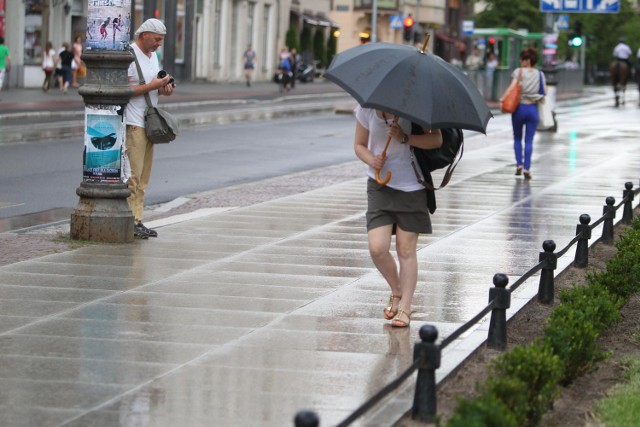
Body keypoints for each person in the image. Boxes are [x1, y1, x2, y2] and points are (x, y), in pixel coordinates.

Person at [353, 106, 442, 327]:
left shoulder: (416, 109)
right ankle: (397, 290)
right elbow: (359, 145)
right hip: (379, 186)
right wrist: (371, 160)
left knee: (405, 249)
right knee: (377, 248)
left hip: (412, 187)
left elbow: (436, 140)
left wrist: (405, 137)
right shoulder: (366, 109)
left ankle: (405, 308)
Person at [125, 18, 175, 239]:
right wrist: (152, 86)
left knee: (144, 178)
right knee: (132, 176)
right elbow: (123, 90)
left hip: (149, 123)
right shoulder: (129, 54)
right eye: (156, 40)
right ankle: (128, 221)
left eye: (161, 41)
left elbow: (154, 88)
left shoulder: (153, 56)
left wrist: (163, 88)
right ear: (144, 35)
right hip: (134, 123)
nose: (158, 45)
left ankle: (137, 219)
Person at [501, 47, 546, 180]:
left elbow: (511, 88)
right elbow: (545, 92)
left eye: (522, 59)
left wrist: (503, 99)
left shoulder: (519, 72)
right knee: (529, 140)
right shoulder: (540, 74)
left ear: (527, 60)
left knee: (517, 138)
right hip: (533, 109)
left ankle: (519, 165)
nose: (521, 61)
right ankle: (527, 167)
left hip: (519, 108)